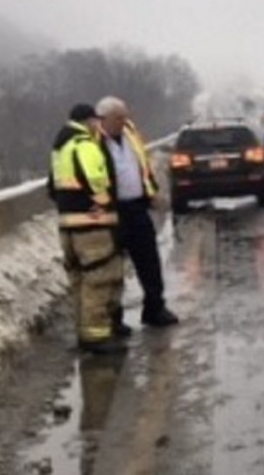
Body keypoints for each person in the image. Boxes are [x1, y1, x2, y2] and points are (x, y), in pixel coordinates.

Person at [48, 103, 126, 355]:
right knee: (99, 279)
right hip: (91, 227)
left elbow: (52, 188)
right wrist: (106, 205)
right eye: (96, 120)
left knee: (80, 280)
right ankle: (96, 336)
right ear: (88, 121)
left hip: (69, 225)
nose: (98, 125)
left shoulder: (61, 148)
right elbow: (98, 183)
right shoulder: (85, 145)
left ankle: (86, 331)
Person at [96, 96, 179, 328]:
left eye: (125, 116)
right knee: (112, 268)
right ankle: (114, 319)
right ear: (103, 119)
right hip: (111, 212)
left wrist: (151, 192)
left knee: (149, 262)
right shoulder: (93, 142)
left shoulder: (130, 134)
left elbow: (143, 166)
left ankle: (155, 308)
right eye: (118, 117)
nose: (124, 121)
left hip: (137, 207)